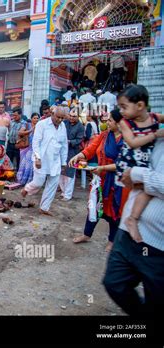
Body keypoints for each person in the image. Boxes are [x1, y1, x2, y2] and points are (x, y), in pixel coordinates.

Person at [102, 136, 164, 316]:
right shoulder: (154, 135)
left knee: (157, 298)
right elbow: (126, 172)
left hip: (159, 243)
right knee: (114, 283)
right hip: (128, 229)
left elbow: (134, 174)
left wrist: (139, 175)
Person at [70, 110, 129, 252]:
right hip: (101, 179)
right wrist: (79, 155)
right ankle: (86, 234)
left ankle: (111, 241)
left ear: (119, 123)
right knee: (94, 206)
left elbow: (123, 164)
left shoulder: (128, 139)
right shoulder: (104, 135)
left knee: (115, 210)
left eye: (109, 120)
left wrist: (102, 167)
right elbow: (90, 149)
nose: (106, 123)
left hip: (119, 181)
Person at [114, 84, 164, 242]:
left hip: (147, 162)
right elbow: (133, 142)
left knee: (148, 189)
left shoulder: (155, 118)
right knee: (144, 188)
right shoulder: (125, 123)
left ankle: (133, 219)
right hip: (130, 162)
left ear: (140, 105)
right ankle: (131, 220)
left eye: (124, 107)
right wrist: (155, 135)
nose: (121, 111)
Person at [21, 106, 68, 216]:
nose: (60, 120)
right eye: (58, 117)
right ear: (52, 114)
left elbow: (64, 145)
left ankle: (44, 207)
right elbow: (36, 143)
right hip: (41, 159)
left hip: (55, 160)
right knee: (38, 182)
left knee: (53, 184)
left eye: (62, 118)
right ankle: (27, 189)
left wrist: (64, 162)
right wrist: (37, 158)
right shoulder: (42, 124)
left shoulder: (63, 126)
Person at [59, 108, 84, 201]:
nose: (72, 118)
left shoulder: (80, 127)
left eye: (74, 116)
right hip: (61, 151)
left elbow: (79, 140)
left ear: (78, 117)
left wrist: (69, 142)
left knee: (69, 173)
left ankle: (68, 195)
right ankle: (63, 191)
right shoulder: (65, 123)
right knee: (61, 172)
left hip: (72, 152)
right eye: (70, 116)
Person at [17, 113, 40, 185]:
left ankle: (29, 182)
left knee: (31, 166)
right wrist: (31, 130)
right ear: (31, 118)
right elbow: (20, 132)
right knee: (23, 164)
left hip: (34, 149)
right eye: (34, 118)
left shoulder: (40, 126)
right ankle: (21, 180)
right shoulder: (27, 125)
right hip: (25, 147)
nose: (36, 119)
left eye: (37, 118)